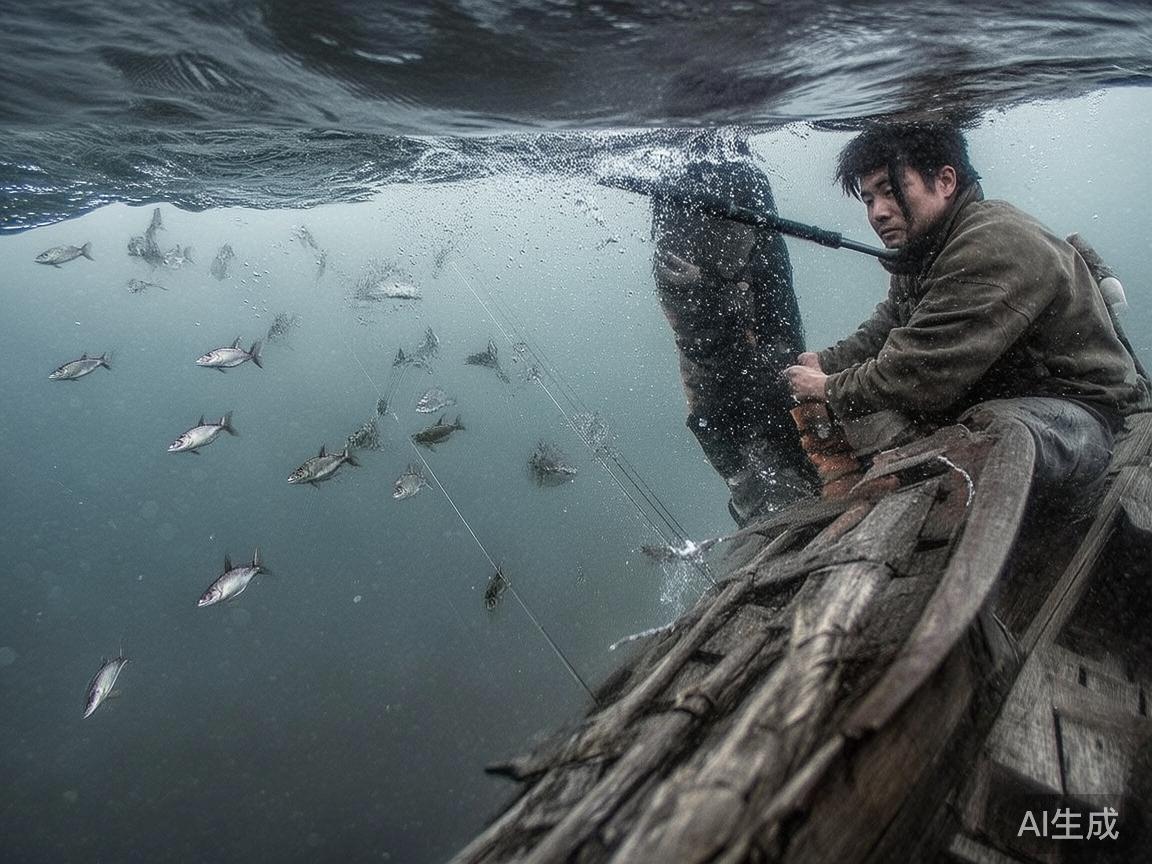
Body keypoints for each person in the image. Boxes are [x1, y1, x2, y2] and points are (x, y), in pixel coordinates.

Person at [783, 121, 1147, 497]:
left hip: (1087, 415)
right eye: (869, 200)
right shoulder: (927, 245)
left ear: (945, 181)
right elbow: (890, 324)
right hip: (1013, 396)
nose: (878, 213)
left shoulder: (988, 246)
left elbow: (919, 372)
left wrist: (828, 388)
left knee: (996, 433)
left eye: (891, 192)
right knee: (874, 411)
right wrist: (826, 361)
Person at [651, 130, 816, 524]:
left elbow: (779, 304)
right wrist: (707, 294)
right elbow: (706, 349)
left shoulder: (745, 186)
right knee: (757, 477)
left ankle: (786, 502)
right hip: (727, 401)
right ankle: (775, 511)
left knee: (780, 462)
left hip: (758, 386)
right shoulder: (680, 239)